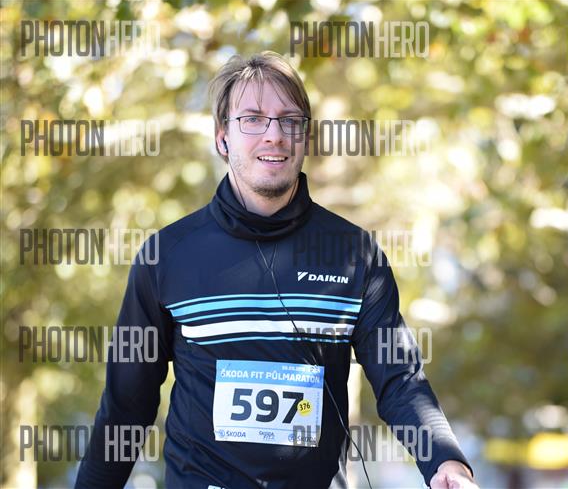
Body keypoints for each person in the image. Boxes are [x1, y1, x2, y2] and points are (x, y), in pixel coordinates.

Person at [76, 51, 478, 489]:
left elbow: (400, 380)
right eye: (252, 119)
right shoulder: (166, 256)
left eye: (290, 120)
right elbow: (126, 407)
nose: (275, 135)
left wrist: (446, 462)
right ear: (222, 138)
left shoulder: (355, 255)